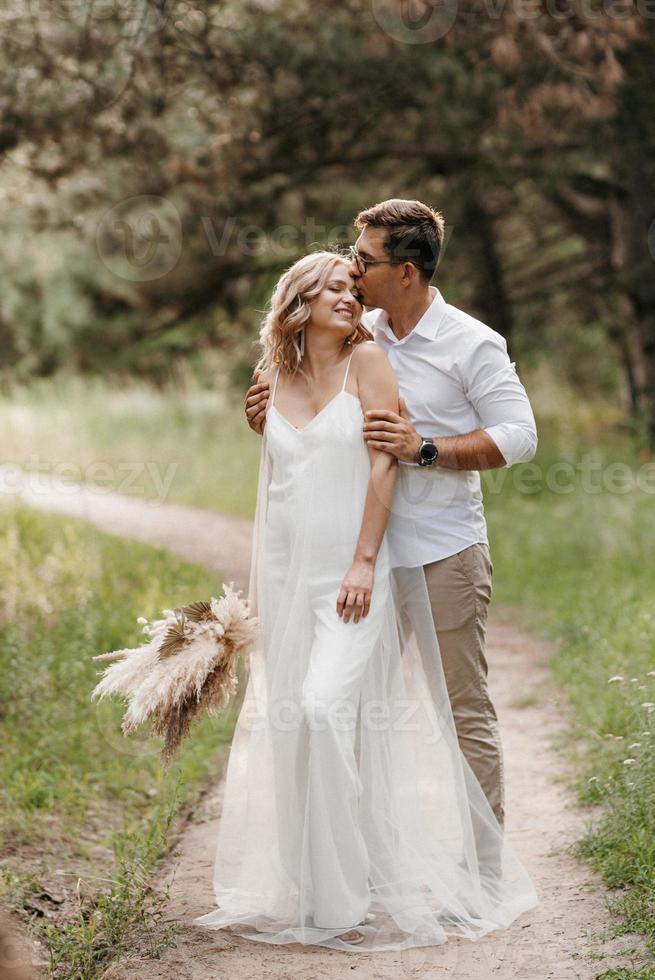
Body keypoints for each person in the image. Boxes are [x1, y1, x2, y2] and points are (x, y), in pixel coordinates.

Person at [194, 250, 537, 952]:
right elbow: (278, 486)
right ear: (298, 302)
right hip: (291, 577)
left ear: (403, 269)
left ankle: (475, 873)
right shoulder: (271, 376)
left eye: (360, 274)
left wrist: (361, 559)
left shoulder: (386, 356)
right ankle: (330, 894)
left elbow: (395, 463)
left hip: (367, 573)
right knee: (297, 722)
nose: (352, 289)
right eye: (335, 284)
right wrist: (258, 594)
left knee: (349, 710)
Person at [244, 199, 538, 830]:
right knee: (344, 708)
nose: (354, 270)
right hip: (352, 564)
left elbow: (520, 436)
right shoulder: (353, 333)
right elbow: (315, 421)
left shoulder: (472, 342)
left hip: (440, 553)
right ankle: (355, 865)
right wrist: (271, 417)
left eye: (366, 260)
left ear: (408, 271)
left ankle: (484, 866)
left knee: (460, 711)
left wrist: (425, 450)